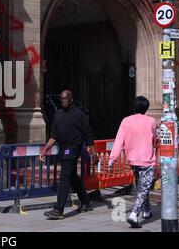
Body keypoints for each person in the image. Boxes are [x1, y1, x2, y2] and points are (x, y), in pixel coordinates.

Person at [40, 90, 99, 219]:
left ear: (71, 99)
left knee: (64, 177)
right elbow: (54, 136)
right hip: (63, 148)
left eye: (66, 98)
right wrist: (45, 149)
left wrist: (93, 153)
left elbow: (88, 133)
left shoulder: (78, 114)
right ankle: (85, 202)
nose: (63, 100)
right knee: (72, 177)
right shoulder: (58, 114)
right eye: (61, 99)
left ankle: (58, 210)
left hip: (73, 148)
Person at [108, 96, 159, 228]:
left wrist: (112, 159)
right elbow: (155, 140)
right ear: (146, 108)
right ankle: (134, 214)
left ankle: (147, 210)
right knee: (145, 187)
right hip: (147, 159)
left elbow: (119, 141)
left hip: (133, 160)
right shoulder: (152, 121)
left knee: (142, 185)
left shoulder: (126, 120)